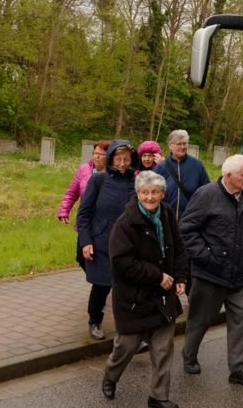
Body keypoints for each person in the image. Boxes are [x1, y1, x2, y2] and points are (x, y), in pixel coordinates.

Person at [102, 171, 188, 408]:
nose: (150, 197)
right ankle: (111, 374)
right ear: (138, 194)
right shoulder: (125, 223)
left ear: (163, 193)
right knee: (126, 346)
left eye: (155, 192)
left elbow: (179, 249)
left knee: (163, 350)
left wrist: (180, 277)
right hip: (134, 299)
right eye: (145, 192)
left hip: (163, 297)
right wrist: (157, 276)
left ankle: (158, 397)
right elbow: (122, 264)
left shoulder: (168, 214)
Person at [179, 154, 243, 388]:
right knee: (200, 320)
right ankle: (189, 354)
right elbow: (186, 230)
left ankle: (239, 369)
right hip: (210, 274)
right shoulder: (206, 195)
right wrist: (206, 257)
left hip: (239, 275)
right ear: (229, 176)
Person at [77, 139, 139, 341]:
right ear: (111, 159)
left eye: (126, 159)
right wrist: (86, 241)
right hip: (102, 241)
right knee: (102, 285)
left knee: (129, 288)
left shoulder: (137, 182)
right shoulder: (99, 180)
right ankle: (95, 321)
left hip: (129, 244)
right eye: (118, 159)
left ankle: (130, 331)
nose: (122, 163)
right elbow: (84, 213)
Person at [57, 140, 110, 270]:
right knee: (81, 257)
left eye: (101, 154)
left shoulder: (114, 174)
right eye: (95, 153)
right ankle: (102, 282)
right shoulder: (84, 169)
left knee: (101, 255)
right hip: (86, 220)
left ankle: (103, 284)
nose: (96, 157)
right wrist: (64, 211)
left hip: (104, 222)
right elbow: (71, 192)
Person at [154, 130, 210, 220]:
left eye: (185, 143)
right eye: (179, 144)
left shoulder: (197, 165)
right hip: (166, 219)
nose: (183, 147)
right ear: (170, 145)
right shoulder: (161, 167)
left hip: (191, 219)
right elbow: (153, 192)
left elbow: (206, 191)